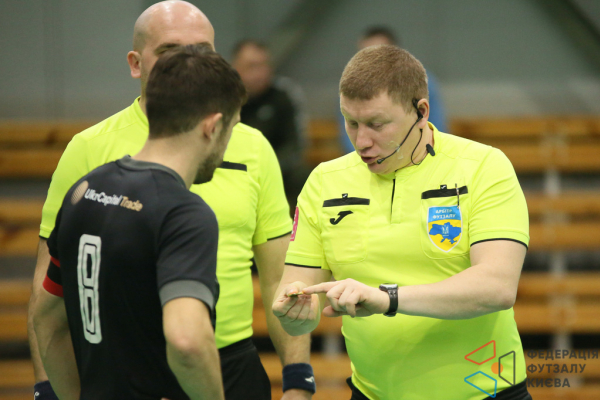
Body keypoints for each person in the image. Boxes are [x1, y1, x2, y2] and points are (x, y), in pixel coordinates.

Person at [28, 2, 314, 400]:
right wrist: (49, 392)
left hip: (224, 364)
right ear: (136, 63)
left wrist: (298, 376)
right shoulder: (100, 158)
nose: (188, 63)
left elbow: (277, 275)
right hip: (149, 364)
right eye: (170, 51)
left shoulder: (90, 188)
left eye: (202, 52)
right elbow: (185, 339)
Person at [273, 45, 532, 400]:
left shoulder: (484, 167)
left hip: (487, 392)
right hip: (371, 394)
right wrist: (292, 314)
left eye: (377, 124)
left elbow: (497, 286)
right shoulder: (323, 182)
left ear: (421, 111)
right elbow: (296, 291)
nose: (361, 141)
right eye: (351, 122)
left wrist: (388, 298)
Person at [32, 43, 243, 400]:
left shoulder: (85, 189)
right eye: (232, 128)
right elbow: (187, 341)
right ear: (213, 126)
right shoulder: (183, 214)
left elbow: (48, 321)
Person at [338, 26, 448, 154]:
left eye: (377, 54)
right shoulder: (350, 88)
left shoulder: (423, 81)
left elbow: (437, 128)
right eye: (363, 54)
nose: (369, 60)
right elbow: (348, 141)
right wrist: (368, 157)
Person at [232, 39, 308, 211]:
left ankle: (297, 224)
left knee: (302, 176)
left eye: (264, 65)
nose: (260, 73)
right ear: (235, 67)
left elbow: (294, 146)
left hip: (276, 171)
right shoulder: (223, 99)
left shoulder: (283, 96)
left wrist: (266, 170)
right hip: (233, 171)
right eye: (252, 66)